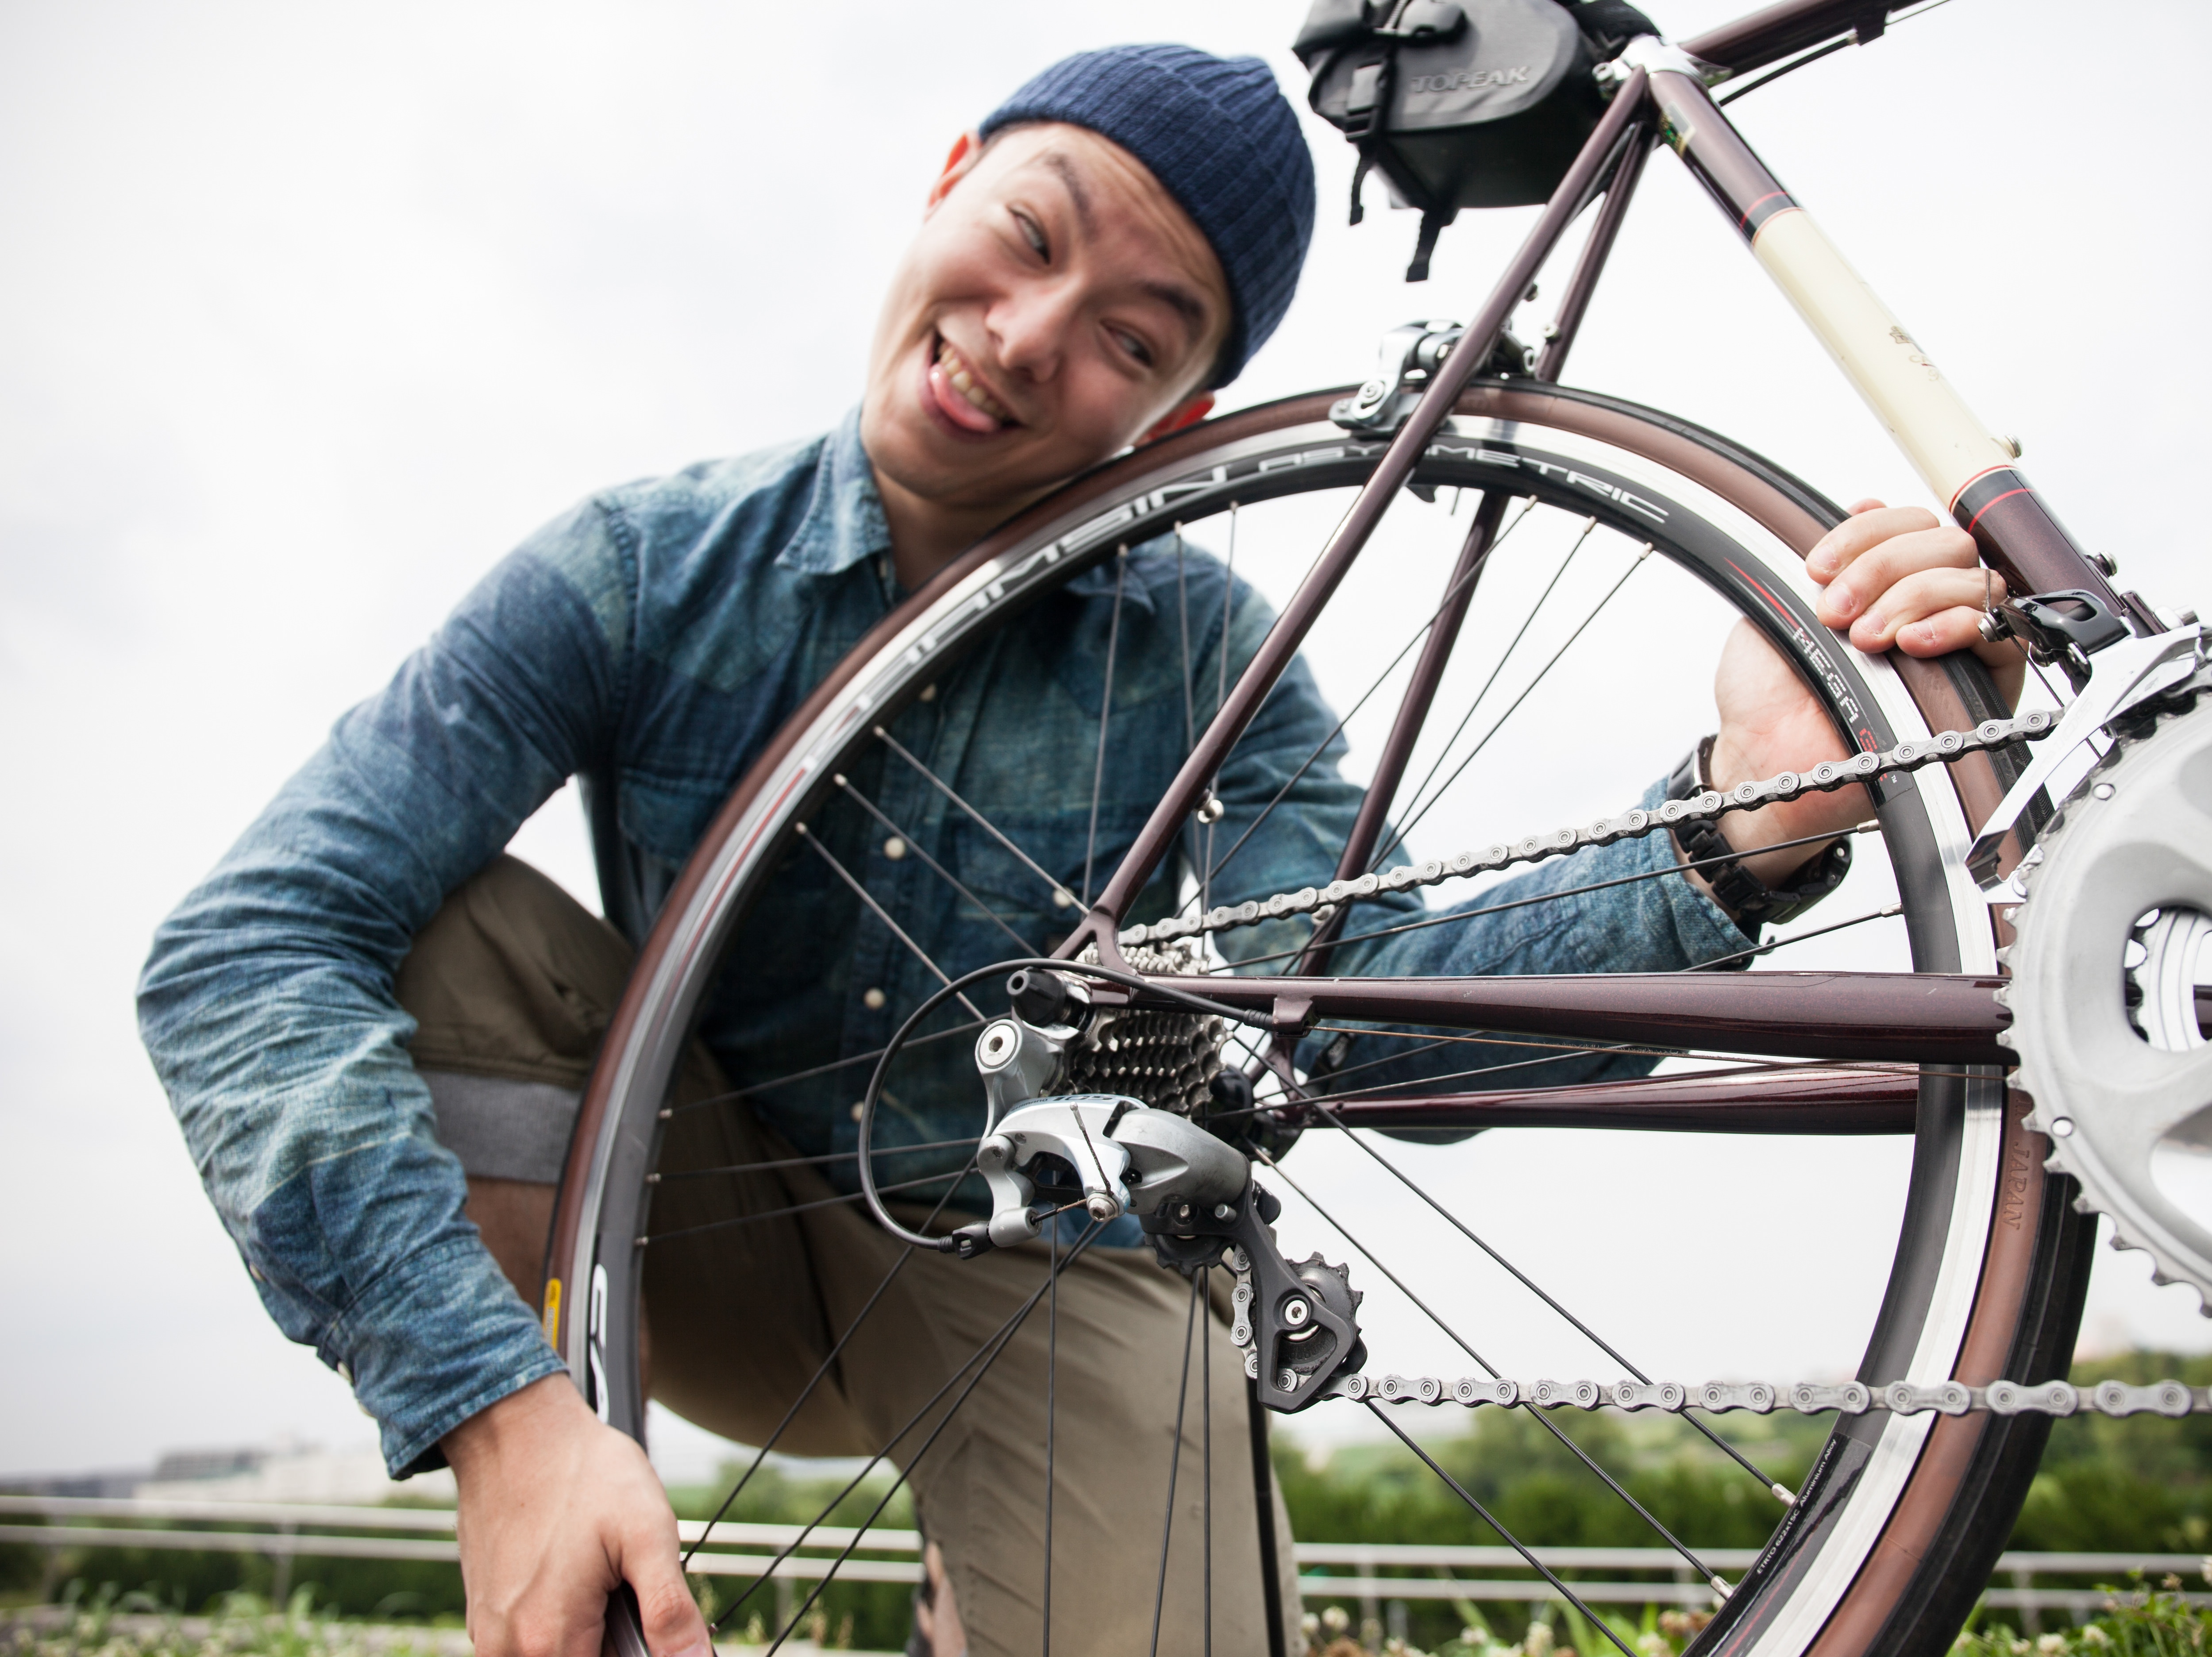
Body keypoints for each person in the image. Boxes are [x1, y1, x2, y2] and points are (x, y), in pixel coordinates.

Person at [138, 40, 2020, 1657]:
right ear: (949, 177)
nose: (1027, 342)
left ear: (1182, 415)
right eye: (1029, 236)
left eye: (1131, 335)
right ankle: (566, 1465)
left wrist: (1744, 824)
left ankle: (1002, 1552)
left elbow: (1355, 1020)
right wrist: (500, 1414)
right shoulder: (637, 568)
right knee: (413, 923)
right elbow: (239, 947)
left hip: (1043, 1264)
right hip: (689, 1215)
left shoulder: (1205, 644)